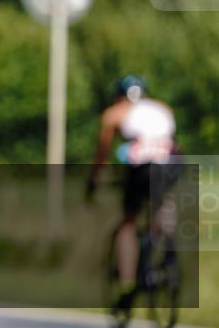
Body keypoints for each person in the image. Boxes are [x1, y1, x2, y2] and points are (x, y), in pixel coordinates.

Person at [87, 74, 177, 311]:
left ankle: (128, 281)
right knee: (162, 198)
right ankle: (167, 241)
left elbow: (102, 154)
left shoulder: (114, 114)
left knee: (128, 221)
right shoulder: (161, 108)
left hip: (143, 168)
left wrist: (94, 181)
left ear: (119, 97)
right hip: (172, 163)